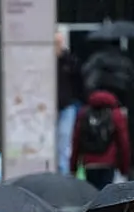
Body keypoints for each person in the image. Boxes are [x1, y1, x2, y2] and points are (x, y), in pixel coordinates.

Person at [70, 90, 131, 190]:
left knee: (92, 194)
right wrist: (124, 168)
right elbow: (123, 143)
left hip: (89, 163)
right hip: (108, 162)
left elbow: (76, 141)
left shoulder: (83, 114)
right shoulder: (116, 115)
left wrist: (73, 167)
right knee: (105, 195)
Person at [55, 32, 84, 175]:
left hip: (66, 106)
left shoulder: (70, 62)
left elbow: (79, 83)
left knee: (64, 143)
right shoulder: (47, 63)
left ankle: (64, 173)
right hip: (51, 107)